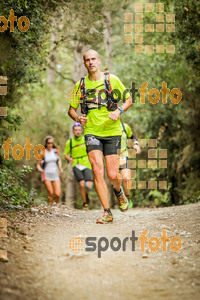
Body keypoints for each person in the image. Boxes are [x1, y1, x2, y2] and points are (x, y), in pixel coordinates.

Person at [68, 49, 133, 224]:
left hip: (112, 132)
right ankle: (107, 212)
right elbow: (71, 110)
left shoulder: (112, 80)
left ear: (99, 60)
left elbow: (129, 99)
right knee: (97, 171)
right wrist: (77, 118)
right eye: (87, 60)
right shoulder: (79, 85)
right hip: (91, 132)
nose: (91, 62)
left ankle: (118, 192)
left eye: (93, 59)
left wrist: (118, 111)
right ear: (84, 63)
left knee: (112, 175)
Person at [64, 122, 93, 209]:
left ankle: (86, 196)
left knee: (88, 185)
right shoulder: (70, 142)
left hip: (86, 163)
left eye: (79, 130)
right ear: (73, 131)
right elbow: (65, 154)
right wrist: (69, 159)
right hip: (76, 164)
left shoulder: (85, 139)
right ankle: (85, 204)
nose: (78, 132)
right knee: (81, 184)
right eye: (76, 130)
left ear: (81, 131)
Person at [119, 121, 140, 208]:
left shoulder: (125, 127)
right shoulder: (106, 125)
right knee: (116, 181)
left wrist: (135, 144)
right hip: (111, 157)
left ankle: (126, 198)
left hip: (123, 156)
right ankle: (120, 198)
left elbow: (132, 137)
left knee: (127, 179)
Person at [37, 136, 63, 205]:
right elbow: (38, 164)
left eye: (51, 143)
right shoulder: (43, 152)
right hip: (46, 174)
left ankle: (55, 205)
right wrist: (39, 168)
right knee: (51, 193)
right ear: (46, 143)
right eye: (49, 143)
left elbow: (59, 160)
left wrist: (60, 167)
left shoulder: (55, 151)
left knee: (57, 194)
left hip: (55, 174)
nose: (50, 144)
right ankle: (49, 207)